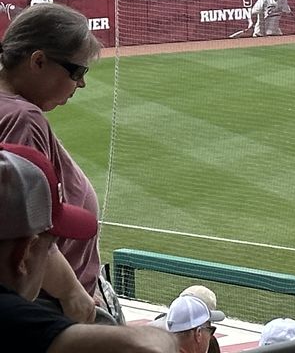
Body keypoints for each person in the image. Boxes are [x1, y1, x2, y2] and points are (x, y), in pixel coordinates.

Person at [0, 143, 176, 353]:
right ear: (25, 253)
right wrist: (166, 338)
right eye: (51, 247)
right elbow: (145, 346)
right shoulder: (10, 316)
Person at [0, 3, 103, 323]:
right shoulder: (22, 117)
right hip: (49, 301)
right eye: (77, 71)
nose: (81, 83)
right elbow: (29, 226)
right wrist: (73, 294)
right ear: (39, 61)